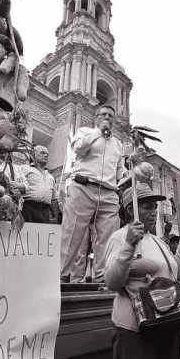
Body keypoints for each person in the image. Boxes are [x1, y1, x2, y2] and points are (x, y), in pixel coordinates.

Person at [104, 183, 180, 359]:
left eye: (154, 206)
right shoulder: (119, 237)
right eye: (146, 207)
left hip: (165, 324)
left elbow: (177, 274)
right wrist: (128, 246)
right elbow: (112, 282)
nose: (154, 211)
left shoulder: (157, 241)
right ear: (129, 210)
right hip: (135, 331)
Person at [60, 104, 125, 282]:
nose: (107, 118)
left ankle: (103, 278)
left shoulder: (118, 144)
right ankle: (61, 276)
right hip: (83, 188)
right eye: (103, 114)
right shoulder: (84, 131)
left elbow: (120, 172)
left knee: (107, 239)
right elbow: (79, 149)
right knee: (72, 234)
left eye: (111, 116)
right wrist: (99, 132)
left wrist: (131, 169)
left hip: (109, 194)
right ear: (96, 118)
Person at [17, 145, 58, 223]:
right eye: (42, 153)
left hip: (45, 211)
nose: (46, 155)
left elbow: (54, 199)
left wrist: (55, 217)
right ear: (33, 155)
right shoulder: (25, 169)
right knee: (26, 233)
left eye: (47, 154)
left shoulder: (51, 177)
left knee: (41, 234)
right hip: (28, 208)